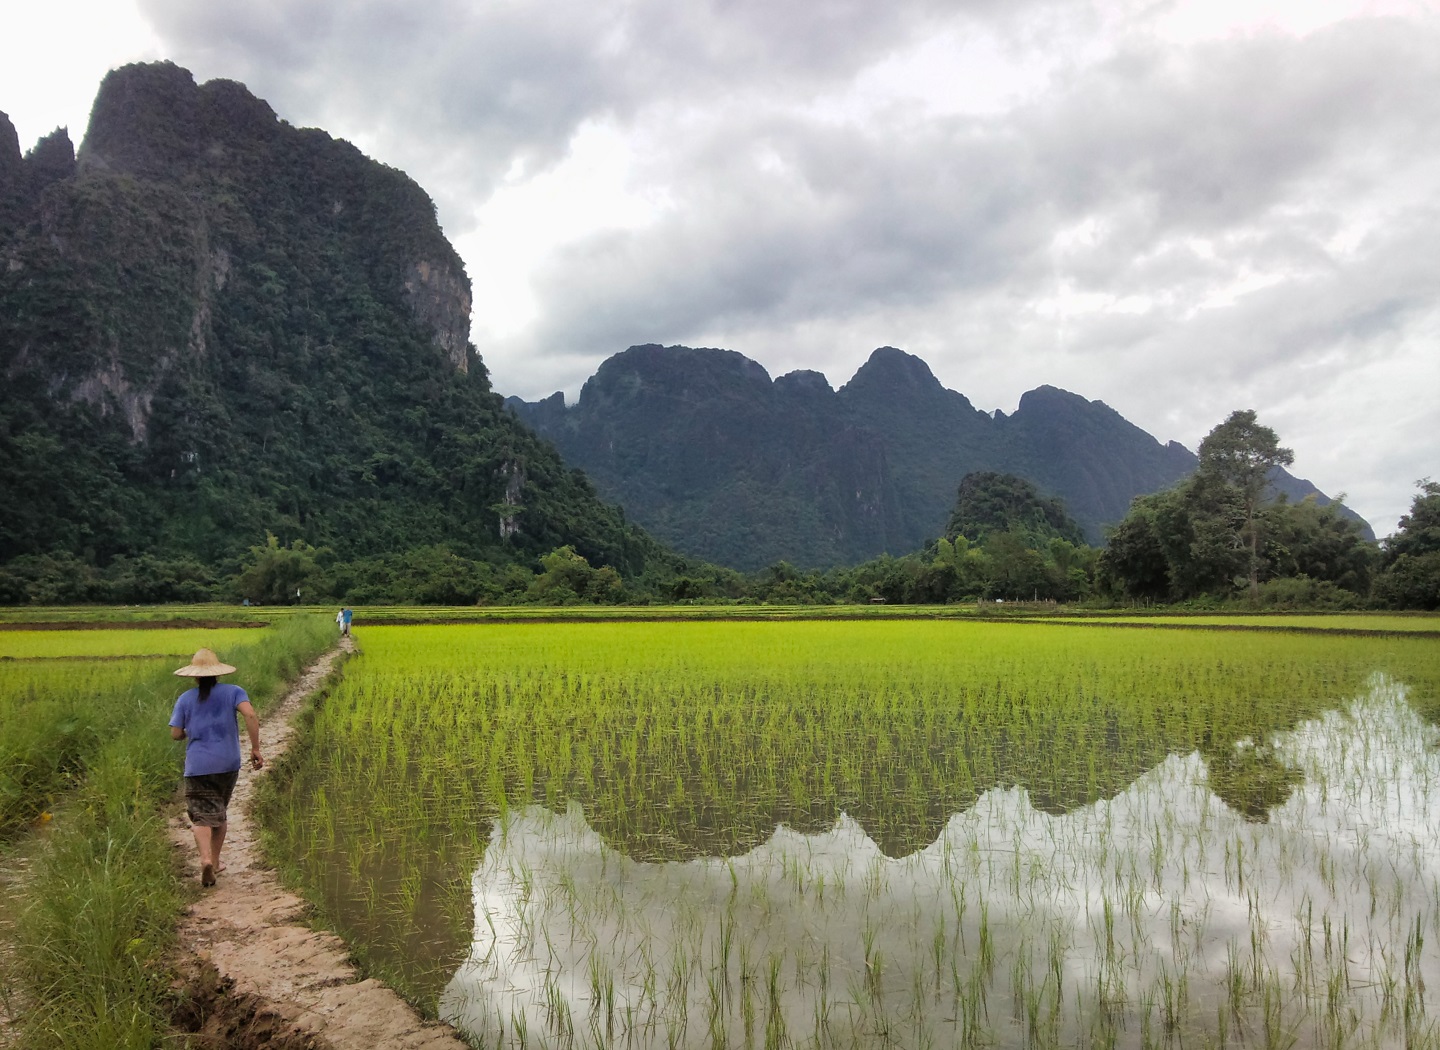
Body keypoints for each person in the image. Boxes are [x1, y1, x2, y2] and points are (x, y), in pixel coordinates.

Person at [168, 648, 263, 887]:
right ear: (218, 673)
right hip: (228, 763)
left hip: (198, 765)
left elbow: (175, 733)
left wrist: (188, 734)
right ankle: (217, 861)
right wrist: (255, 748)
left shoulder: (185, 699)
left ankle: (205, 859)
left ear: (195, 676)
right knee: (219, 811)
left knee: (200, 816)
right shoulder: (234, 692)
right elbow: (250, 715)